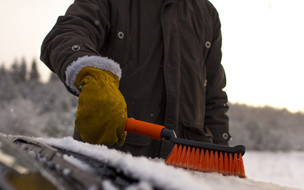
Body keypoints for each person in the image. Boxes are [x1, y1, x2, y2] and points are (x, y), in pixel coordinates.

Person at [40, 0, 231, 159]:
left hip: (187, 178)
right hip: (109, 166)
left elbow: (213, 95)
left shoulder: (207, 13)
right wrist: (90, 72)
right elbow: (67, 33)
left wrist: (222, 154)